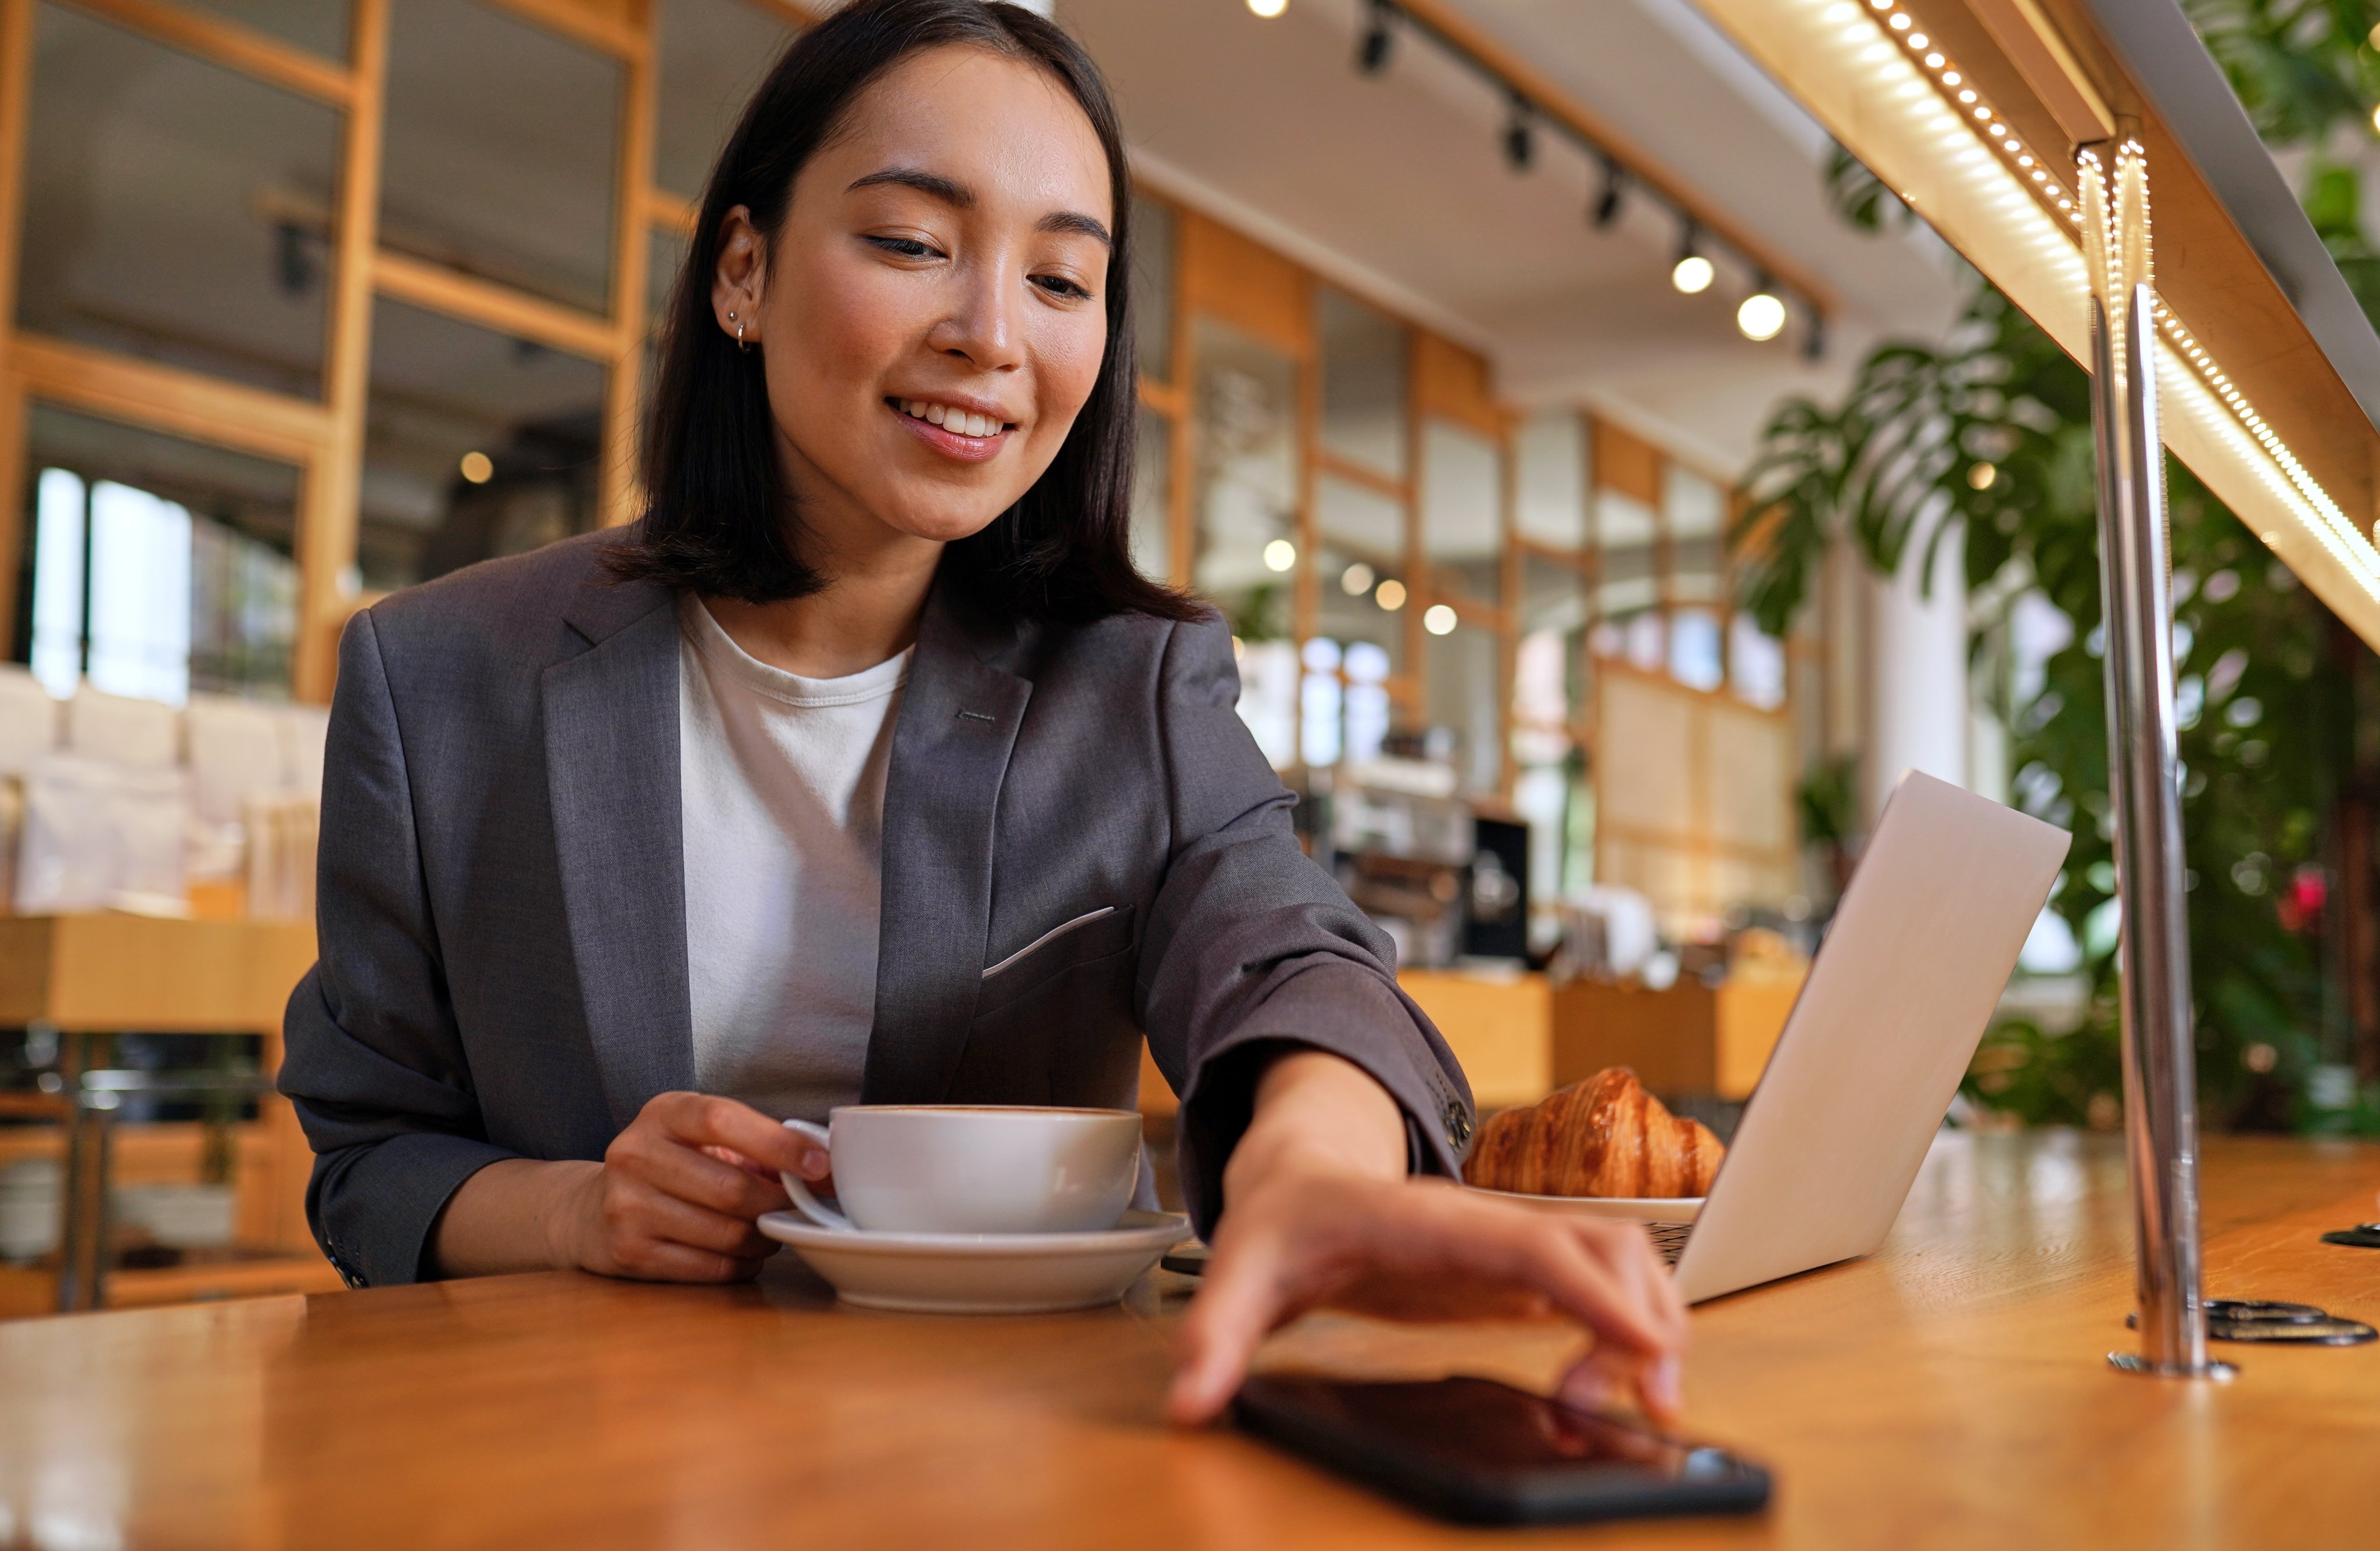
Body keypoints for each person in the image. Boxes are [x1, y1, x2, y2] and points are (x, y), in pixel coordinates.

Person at [278, 0, 1686, 1426]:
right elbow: (370, 1156)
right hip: (575, 1440)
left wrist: (1309, 1182)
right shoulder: (440, 675)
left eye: (1064, 281)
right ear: (744, 271)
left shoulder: (1129, 679)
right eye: (909, 244)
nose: (991, 335)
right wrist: (579, 1209)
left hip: (1010, 1436)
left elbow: (1283, 954)